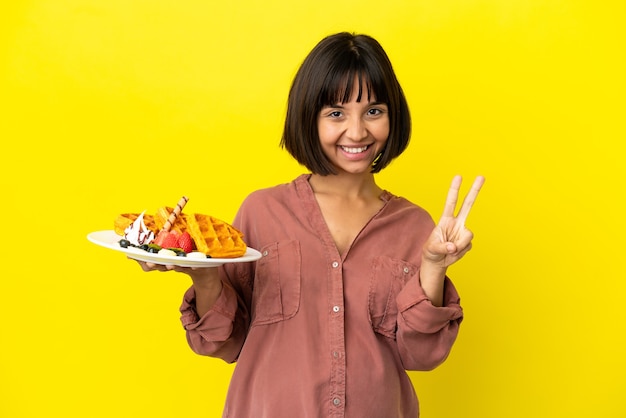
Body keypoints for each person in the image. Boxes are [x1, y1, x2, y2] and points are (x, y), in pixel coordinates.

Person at [137, 32, 484, 418]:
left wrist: (434, 266)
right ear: (308, 117)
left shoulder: (415, 227)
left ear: (393, 115)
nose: (357, 132)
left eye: (373, 111)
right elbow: (224, 343)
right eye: (336, 113)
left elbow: (420, 355)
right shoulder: (261, 212)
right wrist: (203, 277)